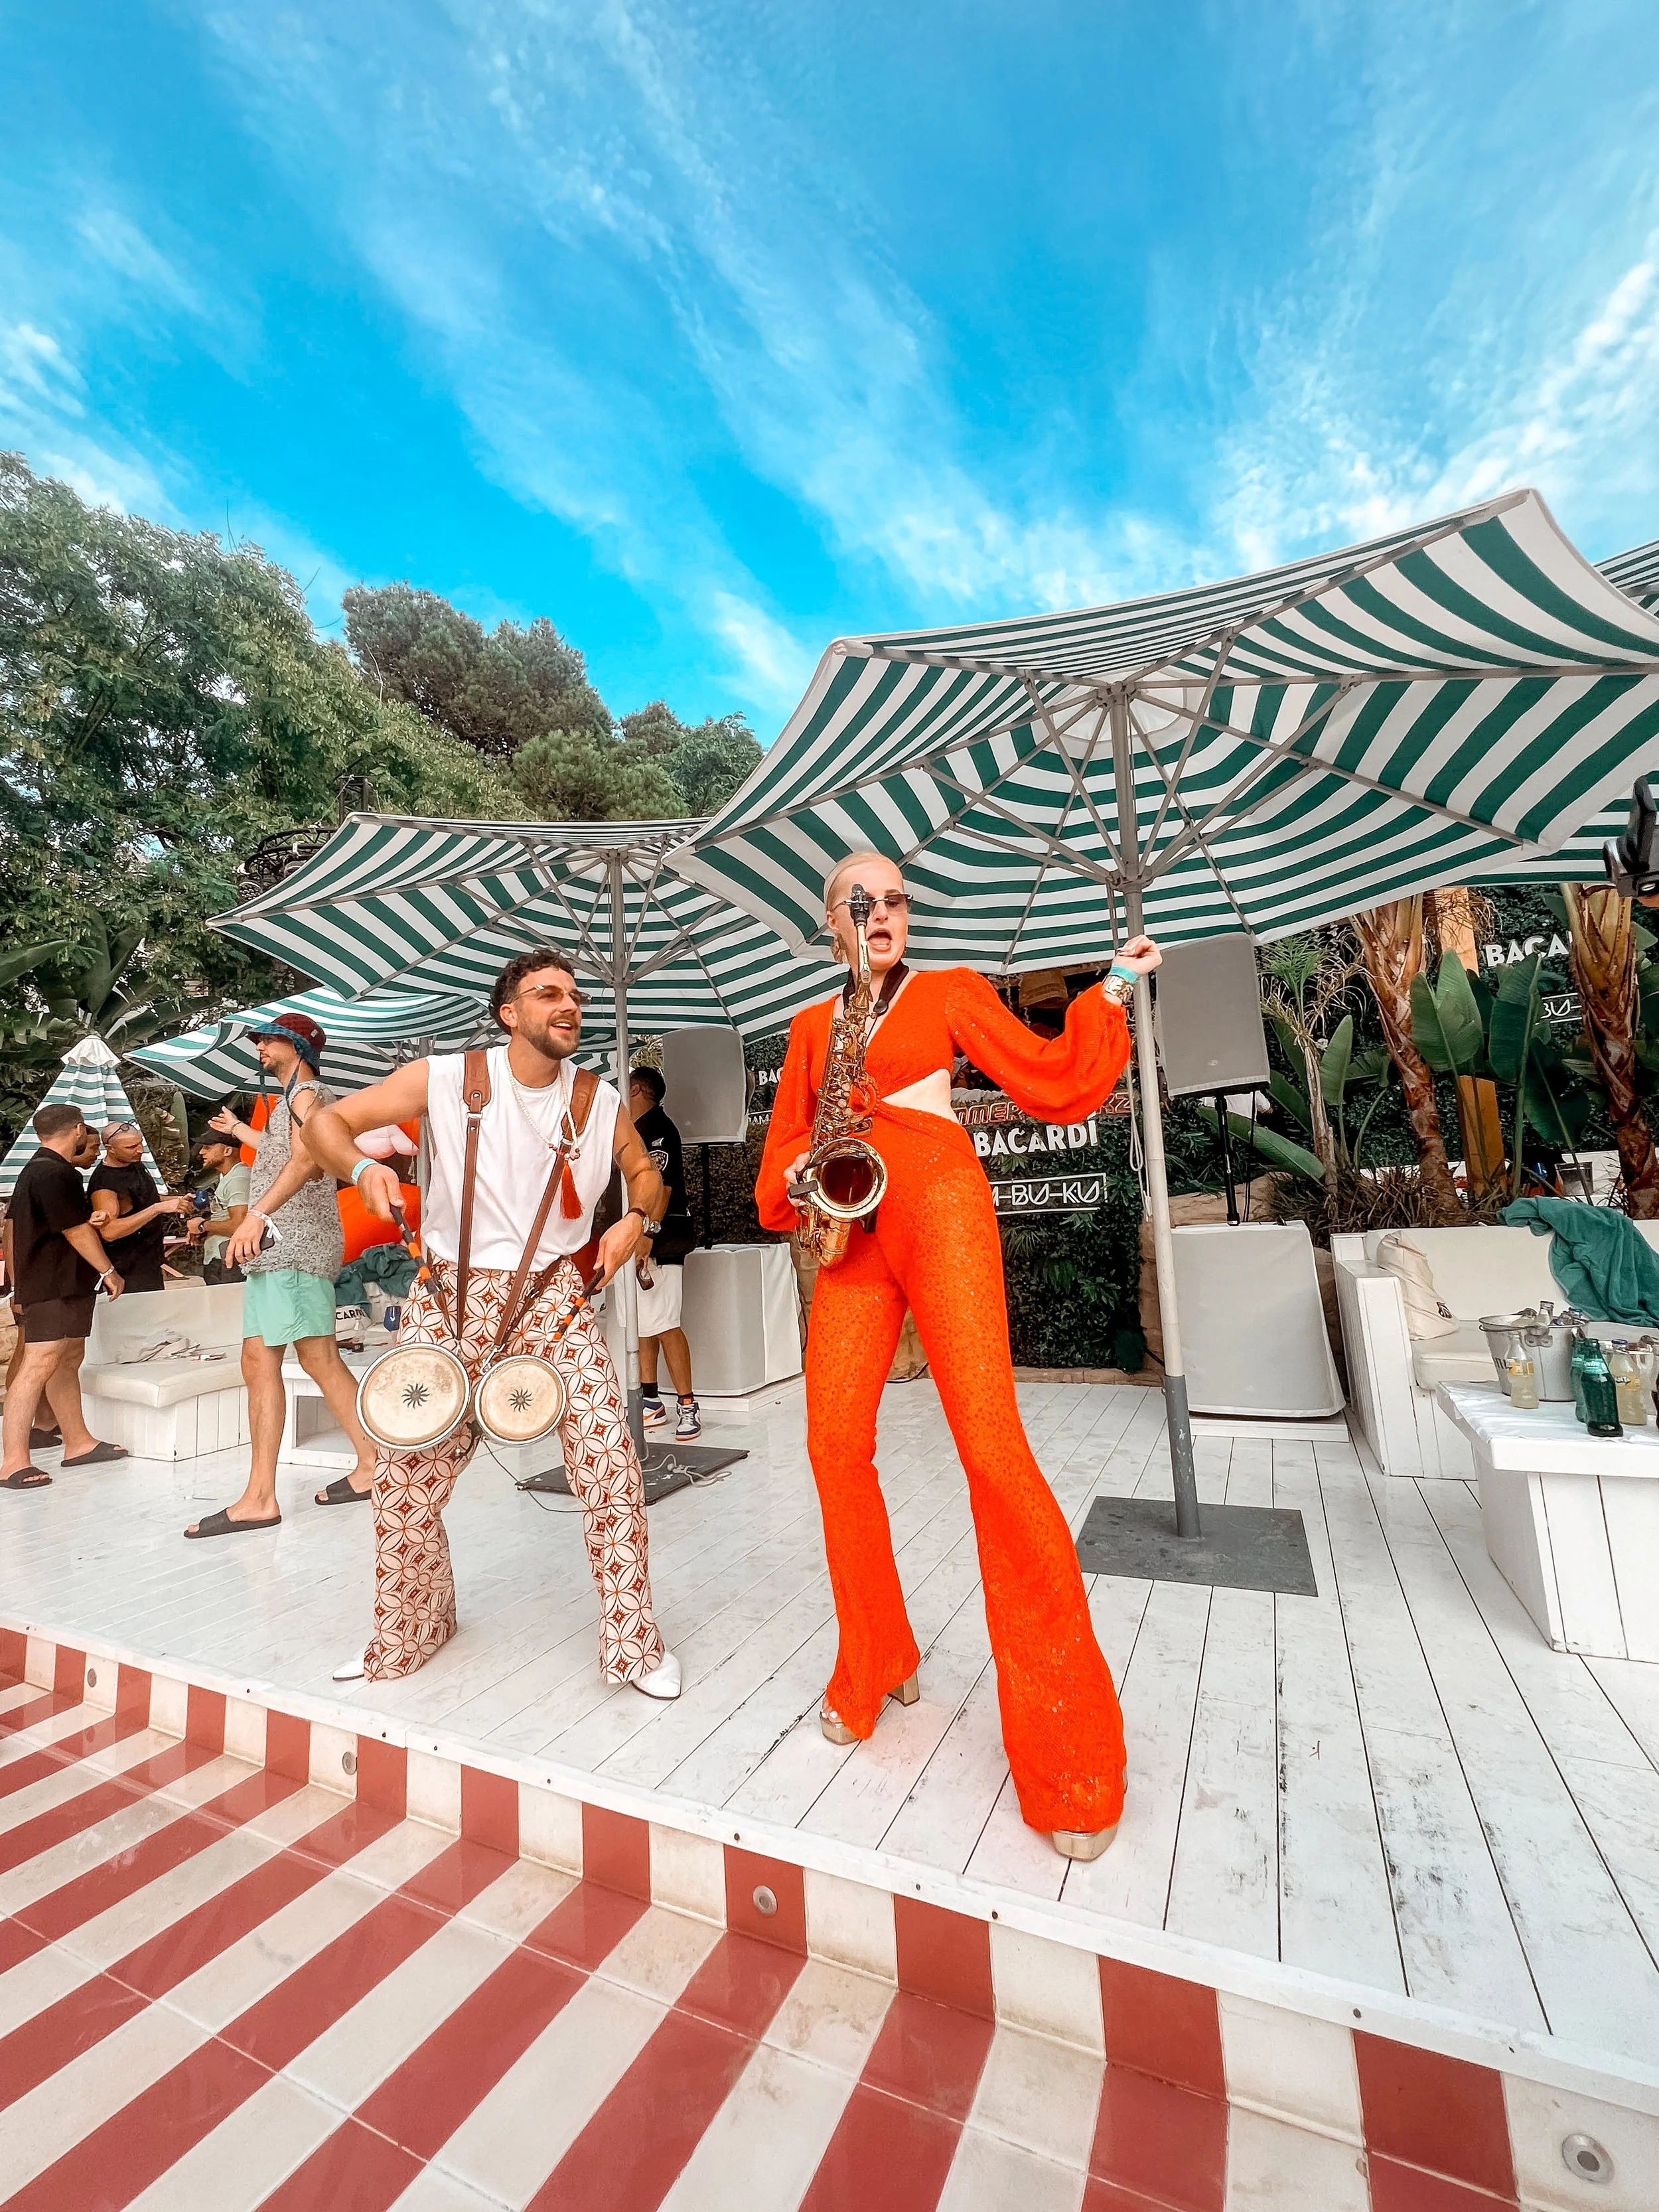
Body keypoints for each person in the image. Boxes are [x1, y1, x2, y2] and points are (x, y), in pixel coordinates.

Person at [757, 851, 1160, 1862]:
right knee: (831, 1446)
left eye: (896, 900)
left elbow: (1053, 1081)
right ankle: (876, 1654)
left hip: (939, 1205)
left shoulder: (949, 991)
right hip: (852, 1231)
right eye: (863, 900)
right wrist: (805, 1165)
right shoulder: (812, 1029)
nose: (884, 912)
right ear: (832, 919)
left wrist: (1109, 986)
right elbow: (776, 1172)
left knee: (989, 1450)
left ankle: (1073, 1758)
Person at [266, 946, 681, 1697]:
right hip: (448, 1295)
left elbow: (644, 1173)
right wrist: (364, 1169)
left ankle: (635, 1646)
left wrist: (639, 1222)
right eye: (547, 993)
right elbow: (328, 1124)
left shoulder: (598, 1098)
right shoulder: (448, 1078)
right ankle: (412, 1630)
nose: (568, 1006)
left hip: (555, 1302)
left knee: (609, 1465)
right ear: (509, 1012)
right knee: (402, 1477)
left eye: (575, 996)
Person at [192, 1013, 375, 1536]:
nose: (259, 1047)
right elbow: (287, 1148)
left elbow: (306, 1159)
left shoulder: (305, 1095)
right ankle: (371, 1463)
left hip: (289, 1245)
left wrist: (257, 1214)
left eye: (268, 1039)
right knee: (314, 1358)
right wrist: (241, 1130)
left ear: (296, 1046)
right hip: (293, 1246)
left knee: (267, 1360)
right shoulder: (296, 1099)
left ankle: (261, 1497)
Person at [1, 1106, 129, 1490]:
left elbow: (57, 1224)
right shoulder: (54, 1171)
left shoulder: (42, 1170)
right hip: (51, 1284)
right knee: (39, 1363)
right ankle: (12, 1461)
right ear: (77, 1130)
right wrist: (109, 1270)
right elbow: (74, 1231)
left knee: (67, 1359)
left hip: (65, 1282)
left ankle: (78, 1443)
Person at [627, 1066, 700, 1439]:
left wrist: (647, 1236)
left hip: (662, 1238)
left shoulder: (659, 1129)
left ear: (638, 1088)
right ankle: (651, 1400)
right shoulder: (633, 1131)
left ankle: (687, 1405)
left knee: (667, 1321)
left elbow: (663, 1189)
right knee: (642, 1322)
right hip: (637, 1237)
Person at [88, 1121, 197, 1295]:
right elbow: (109, 1232)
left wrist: (176, 1201)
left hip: (149, 1260)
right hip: (127, 1267)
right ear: (110, 1149)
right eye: (131, 1147)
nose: (139, 1150)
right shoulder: (104, 1183)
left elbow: (142, 1198)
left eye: (140, 1144)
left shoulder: (134, 1164)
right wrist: (157, 1208)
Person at [196, 1130, 252, 1284]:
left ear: (227, 1151)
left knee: (227, 1306)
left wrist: (202, 1226)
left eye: (208, 1147)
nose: (201, 1152)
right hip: (221, 1258)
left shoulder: (239, 1178)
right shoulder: (230, 1177)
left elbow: (239, 1226)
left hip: (228, 1260)